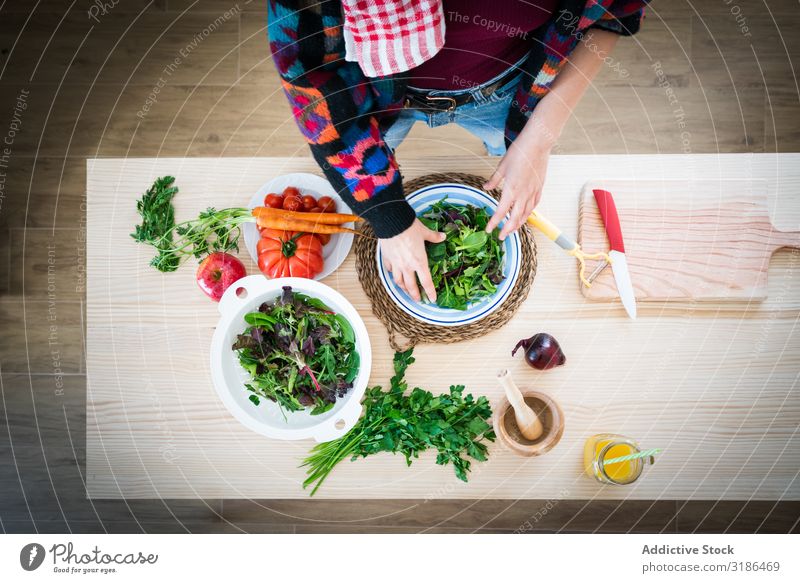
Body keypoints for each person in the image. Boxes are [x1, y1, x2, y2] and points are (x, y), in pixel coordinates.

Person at [268, 0, 649, 301]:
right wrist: (389, 219)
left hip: (508, 92)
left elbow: (612, 16)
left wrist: (539, 139)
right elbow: (307, 72)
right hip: (371, 99)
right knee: (361, 187)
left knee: (510, 167)